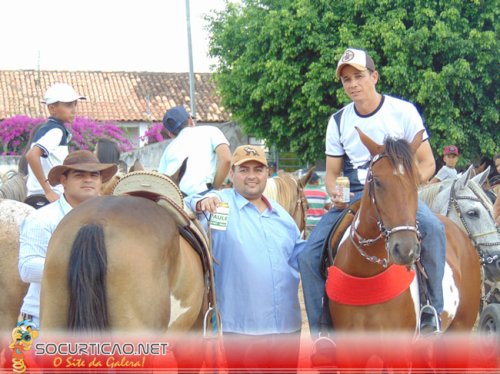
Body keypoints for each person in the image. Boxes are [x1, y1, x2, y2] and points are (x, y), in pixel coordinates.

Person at [298, 48, 446, 336]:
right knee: (308, 255)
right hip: (356, 196)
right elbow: (331, 173)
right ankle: (323, 335)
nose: (353, 84)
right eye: (346, 80)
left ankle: (432, 309)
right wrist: (333, 193)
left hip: (399, 194)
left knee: (434, 229)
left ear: (374, 76)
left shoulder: (403, 111)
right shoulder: (338, 121)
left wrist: (404, 190)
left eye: (359, 76)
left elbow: (427, 162)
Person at [185, 145, 305, 370]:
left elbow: (303, 260)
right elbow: (185, 204)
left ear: (267, 174)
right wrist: (201, 202)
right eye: (244, 170)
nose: (252, 176)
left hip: (287, 327)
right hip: (243, 329)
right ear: (231, 174)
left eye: (258, 170)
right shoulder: (220, 206)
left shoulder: (283, 217)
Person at [18, 151, 117, 328]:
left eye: (94, 175)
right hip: (43, 317)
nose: (88, 180)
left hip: (100, 319)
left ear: (101, 181)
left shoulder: (117, 220)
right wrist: (85, 267)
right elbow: (27, 268)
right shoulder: (42, 219)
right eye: (79, 175)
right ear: (64, 181)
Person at [24, 83, 86, 207]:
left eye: (75, 104)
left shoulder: (47, 128)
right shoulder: (56, 131)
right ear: (52, 108)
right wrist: (48, 190)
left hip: (37, 195)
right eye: (68, 105)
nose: (74, 109)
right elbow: (32, 155)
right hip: (50, 198)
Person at [158, 106, 231, 196]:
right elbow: (226, 160)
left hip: (173, 197)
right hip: (201, 195)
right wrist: (214, 188)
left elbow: (160, 181)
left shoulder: (168, 150)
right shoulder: (211, 130)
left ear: (170, 134)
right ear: (190, 120)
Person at [304, 172, 331, 238]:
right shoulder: (322, 192)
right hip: (319, 223)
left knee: (307, 242)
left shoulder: (303, 192)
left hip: (307, 223)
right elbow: (329, 207)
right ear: (316, 181)